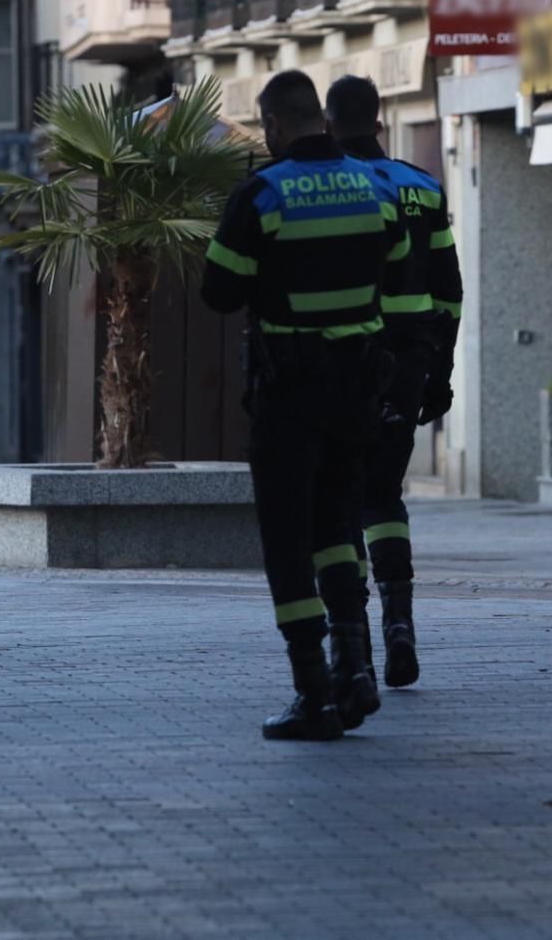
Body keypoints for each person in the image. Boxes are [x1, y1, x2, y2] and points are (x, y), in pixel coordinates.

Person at [201, 70, 409, 740]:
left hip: (290, 394)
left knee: (288, 541)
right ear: (320, 115)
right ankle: (356, 667)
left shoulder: (262, 193)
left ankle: (312, 690)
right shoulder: (377, 188)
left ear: (274, 126)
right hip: (358, 389)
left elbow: (220, 292)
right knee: (338, 527)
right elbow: (399, 270)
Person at [324, 75, 463, 690]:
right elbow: (448, 291)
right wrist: (442, 370)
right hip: (406, 364)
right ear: (379, 121)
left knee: (334, 501)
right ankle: (399, 624)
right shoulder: (422, 187)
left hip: (339, 364)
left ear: (329, 123)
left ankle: (350, 640)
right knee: (383, 494)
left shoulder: (322, 187)